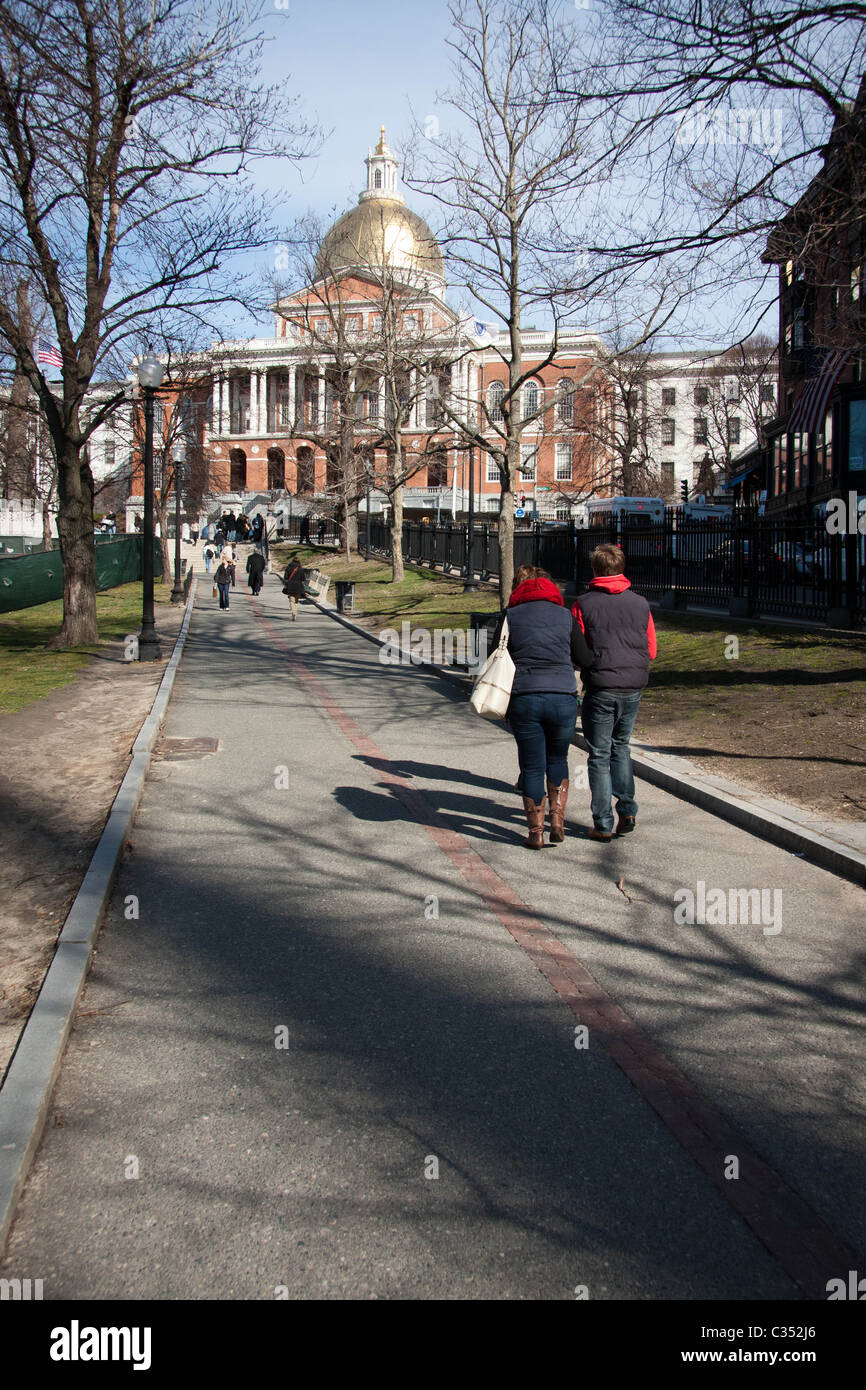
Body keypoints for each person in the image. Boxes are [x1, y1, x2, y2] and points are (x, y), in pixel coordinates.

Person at [502, 565, 596, 849]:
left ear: (519, 590)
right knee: (558, 759)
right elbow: (584, 657)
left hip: (525, 695)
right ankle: (557, 819)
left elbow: (496, 654)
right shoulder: (565, 616)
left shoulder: (510, 616)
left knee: (531, 767)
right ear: (552, 590)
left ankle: (535, 832)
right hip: (562, 696)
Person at [572, 544, 657, 841]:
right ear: (622, 568)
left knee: (598, 754)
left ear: (595, 570)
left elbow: (578, 649)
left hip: (601, 684)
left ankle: (603, 822)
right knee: (621, 747)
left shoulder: (583, 603)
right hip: (633, 684)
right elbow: (652, 648)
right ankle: (628, 808)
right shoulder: (641, 603)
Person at [281, 553, 306, 621]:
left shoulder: (288, 568)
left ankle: (293, 613)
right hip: (298, 586)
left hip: (291, 585)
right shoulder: (300, 569)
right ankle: (295, 612)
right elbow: (303, 579)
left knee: (291, 601)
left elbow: (285, 577)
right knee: (296, 601)